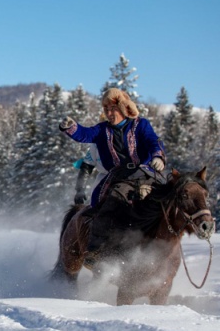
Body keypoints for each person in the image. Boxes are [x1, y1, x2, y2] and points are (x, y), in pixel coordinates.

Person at [59, 88, 165, 265]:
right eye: (106, 109)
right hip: (117, 177)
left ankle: (166, 245)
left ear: (123, 108)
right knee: (107, 204)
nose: (109, 113)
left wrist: (157, 156)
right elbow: (84, 135)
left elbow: (153, 141)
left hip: (143, 173)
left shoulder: (141, 125)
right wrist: (71, 127)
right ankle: (95, 248)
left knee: (168, 199)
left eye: (112, 109)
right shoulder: (102, 130)